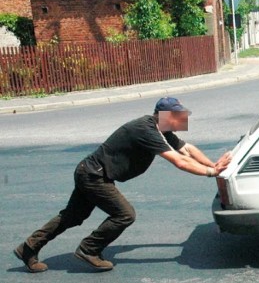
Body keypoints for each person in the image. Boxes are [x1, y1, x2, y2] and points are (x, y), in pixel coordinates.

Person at [13, 97, 232, 273]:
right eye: (175, 116)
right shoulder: (146, 130)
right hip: (93, 175)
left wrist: (213, 164)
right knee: (124, 214)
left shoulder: (161, 131)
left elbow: (187, 150)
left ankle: (28, 248)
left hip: (92, 172)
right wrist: (211, 172)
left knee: (72, 216)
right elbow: (179, 160)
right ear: (161, 115)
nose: (179, 119)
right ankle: (89, 249)